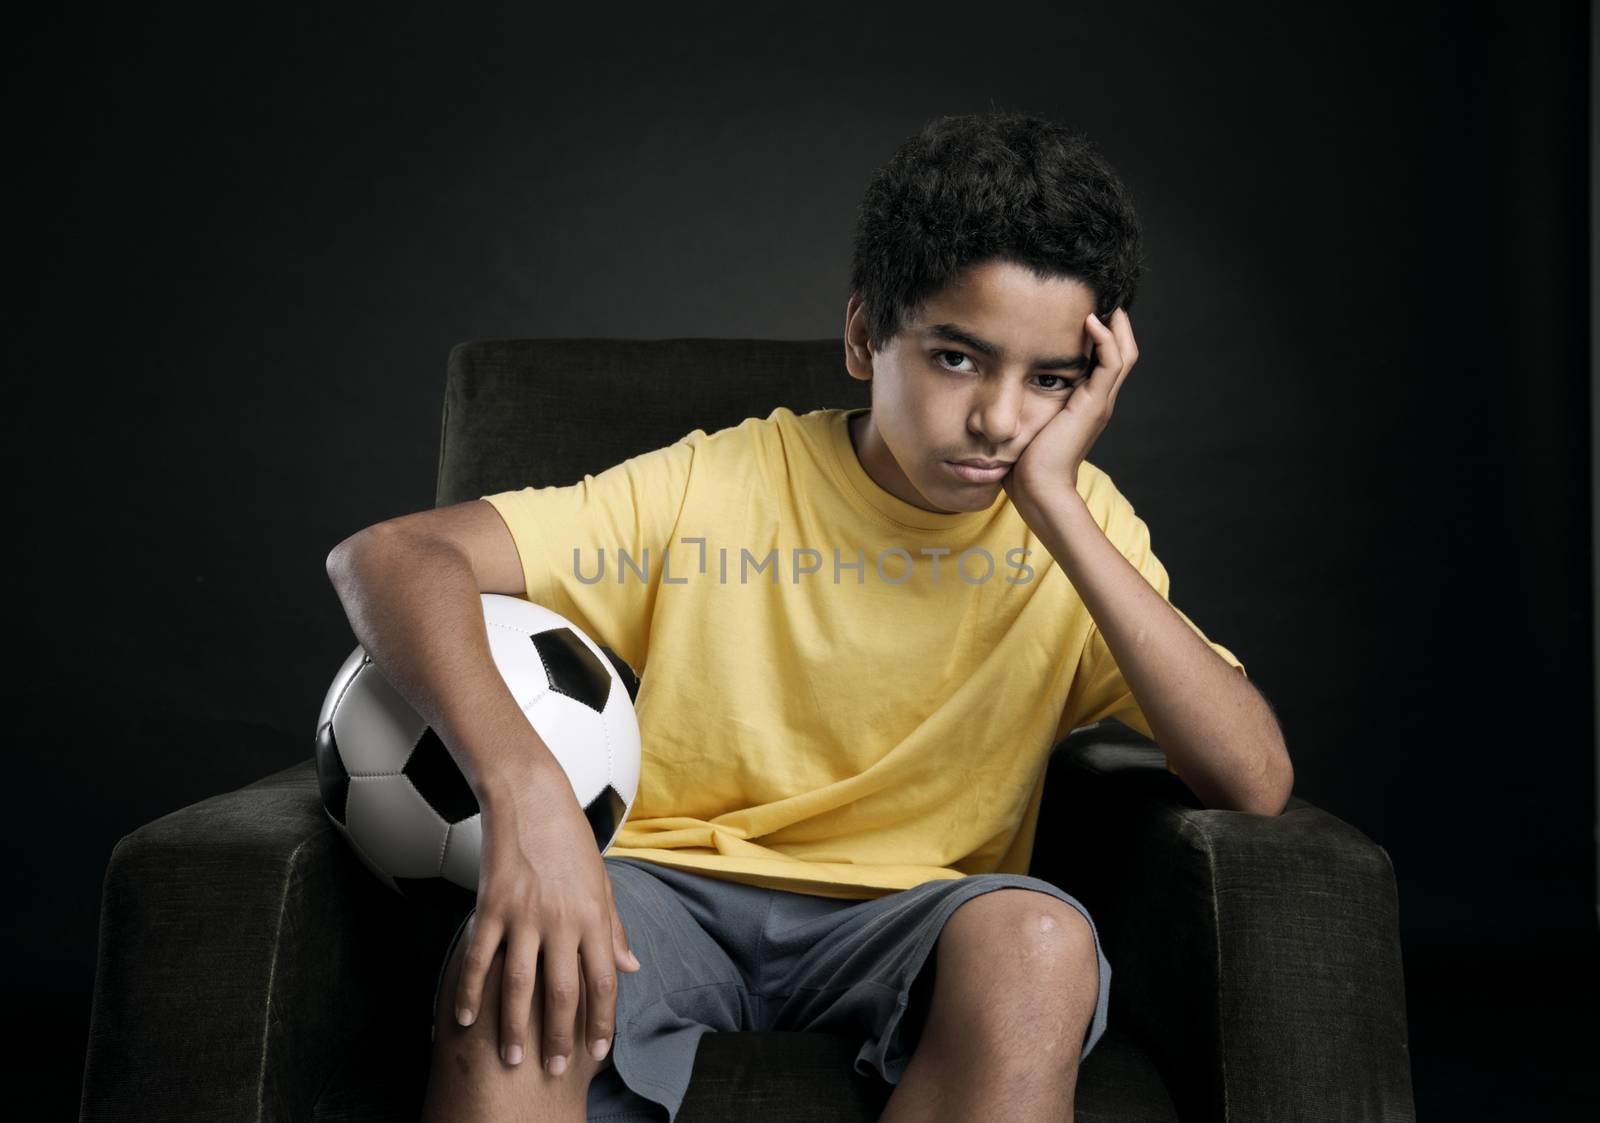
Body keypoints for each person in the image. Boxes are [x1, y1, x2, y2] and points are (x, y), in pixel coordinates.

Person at [326, 110, 1292, 1123]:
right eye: (958, 359)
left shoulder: (1079, 524)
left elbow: (1253, 779)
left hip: (917, 915)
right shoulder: (716, 485)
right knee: (517, 958)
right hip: (664, 889)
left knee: (1040, 945)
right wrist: (525, 793)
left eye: (1049, 381)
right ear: (865, 333)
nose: (1002, 422)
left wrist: (1054, 501)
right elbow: (391, 556)